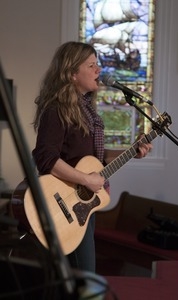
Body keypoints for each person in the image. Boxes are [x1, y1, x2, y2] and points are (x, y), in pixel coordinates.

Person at [32, 41, 152, 273]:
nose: (99, 70)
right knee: (84, 279)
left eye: (97, 64)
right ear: (71, 73)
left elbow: (95, 158)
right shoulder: (56, 109)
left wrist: (132, 151)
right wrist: (86, 180)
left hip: (84, 203)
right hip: (63, 204)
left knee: (80, 280)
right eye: (91, 65)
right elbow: (45, 157)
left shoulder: (86, 109)